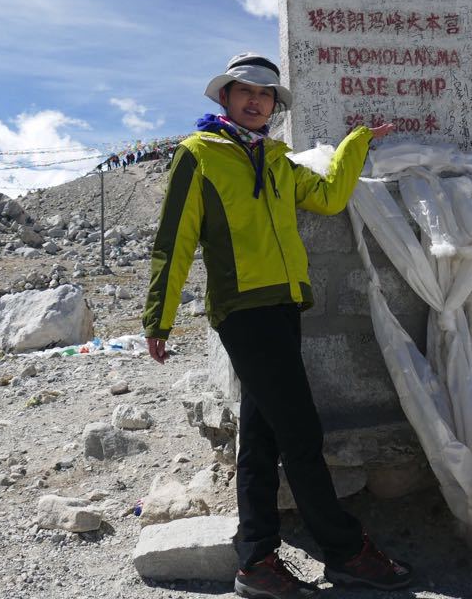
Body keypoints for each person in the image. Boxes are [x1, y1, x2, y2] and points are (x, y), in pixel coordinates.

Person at [143, 53, 411, 598]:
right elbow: (176, 239)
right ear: (225, 98)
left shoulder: (279, 160)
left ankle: (256, 559)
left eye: (266, 95)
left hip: (286, 307)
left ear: (273, 108)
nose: (256, 101)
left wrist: (357, 142)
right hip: (244, 311)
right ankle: (343, 550)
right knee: (301, 434)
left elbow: (331, 196)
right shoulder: (199, 154)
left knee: (262, 440)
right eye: (246, 91)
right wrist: (159, 317)